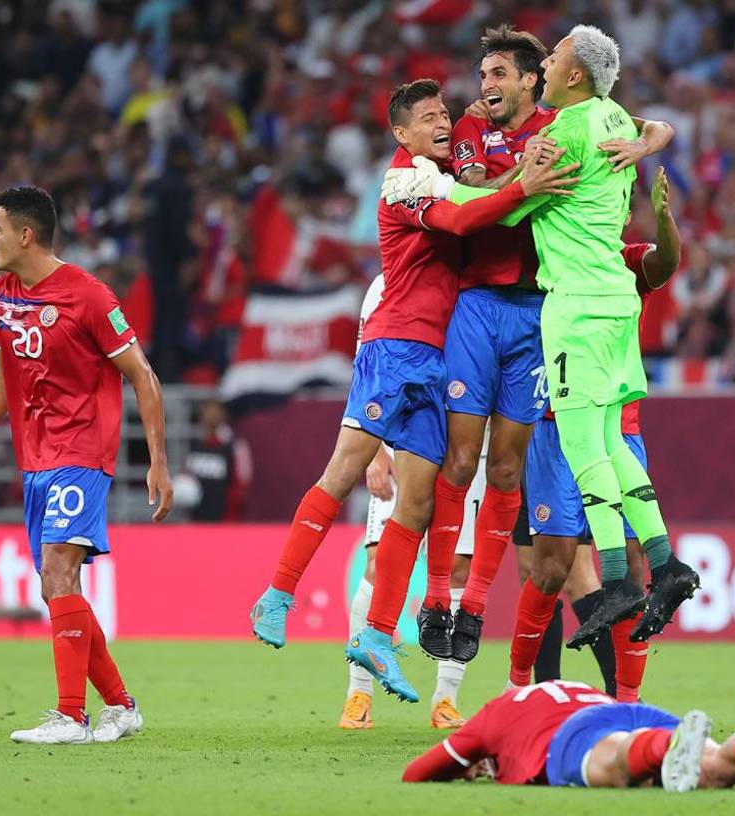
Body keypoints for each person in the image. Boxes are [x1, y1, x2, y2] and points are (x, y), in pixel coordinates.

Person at [249, 79, 579, 704]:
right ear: (400, 133)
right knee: (344, 469)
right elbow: (463, 213)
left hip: (437, 358)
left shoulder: (445, 169)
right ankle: (278, 592)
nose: (442, 122)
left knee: (420, 505)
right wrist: (522, 186)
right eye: (428, 117)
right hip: (394, 346)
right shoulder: (404, 180)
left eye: (445, 114)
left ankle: (376, 636)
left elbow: (476, 187)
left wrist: (493, 128)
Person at [385, 25, 697, 652]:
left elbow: (498, 206)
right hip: (602, 304)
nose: (486, 86)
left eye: (548, 60)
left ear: (552, 77)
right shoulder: (608, 120)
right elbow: (642, 123)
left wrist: (507, 188)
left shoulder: (558, 132)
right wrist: (655, 135)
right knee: (600, 445)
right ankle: (663, 566)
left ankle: (615, 579)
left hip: (566, 306)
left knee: (579, 450)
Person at [0, 186, 173, 744]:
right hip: (35, 458)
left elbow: (143, 375)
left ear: (26, 235)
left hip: (82, 452)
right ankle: (121, 706)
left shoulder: (90, 297)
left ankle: (71, 715)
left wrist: (157, 462)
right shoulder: (1, 294)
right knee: (55, 587)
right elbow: (8, 374)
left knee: (59, 570)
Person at [511, 167, 681, 702]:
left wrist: (666, 218)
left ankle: (625, 702)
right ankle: (531, 693)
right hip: (551, 428)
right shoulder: (548, 254)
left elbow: (667, 262)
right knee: (549, 567)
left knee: (628, 568)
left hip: (617, 432)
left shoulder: (627, 262)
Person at [339, 274, 483, 730]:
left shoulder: (473, 277)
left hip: (467, 438)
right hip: (404, 437)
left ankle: (445, 700)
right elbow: (367, 360)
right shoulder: (388, 282)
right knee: (379, 564)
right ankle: (357, 695)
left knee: (460, 567)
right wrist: (376, 449)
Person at [402, 680, 735, 794]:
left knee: (616, 765)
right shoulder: (570, 686)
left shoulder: (494, 715)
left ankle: (663, 751)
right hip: (624, 709)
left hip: (574, 733)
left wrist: (465, 766)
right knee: (712, 770)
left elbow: (417, 773)